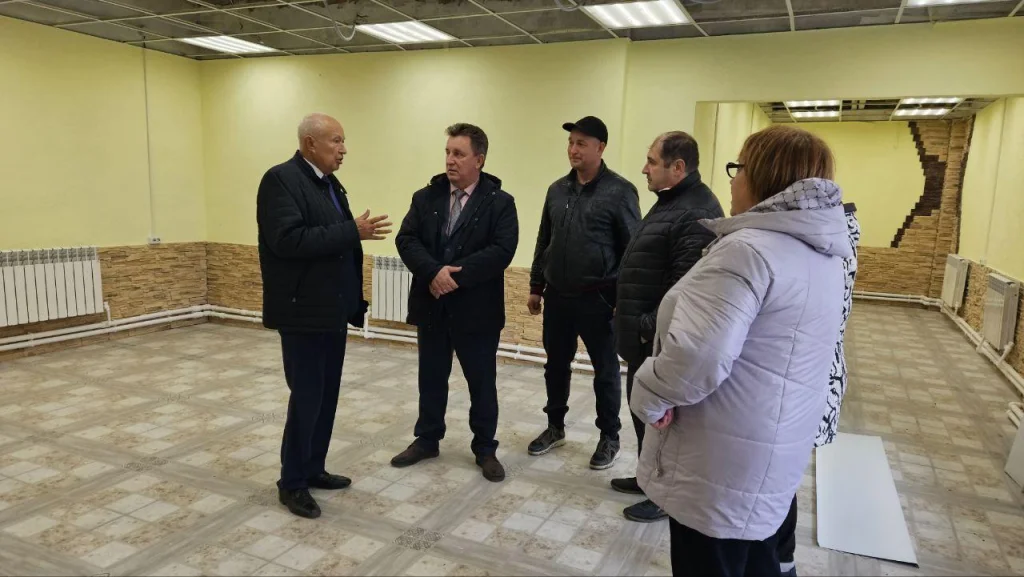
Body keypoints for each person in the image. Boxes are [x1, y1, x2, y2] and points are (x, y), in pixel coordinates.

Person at [629, 124, 852, 577]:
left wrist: (648, 396)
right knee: (756, 558)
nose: (732, 180)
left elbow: (697, 357)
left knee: (711, 561)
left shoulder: (747, 252)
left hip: (718, 464)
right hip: (772, 447)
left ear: (765, 177)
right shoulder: (824, 253)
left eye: (739, 168)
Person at [257, 113, 392, 519]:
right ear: (310, 143)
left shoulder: (328, 183)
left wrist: (354, 301)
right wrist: (353, 231)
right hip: (302, 313)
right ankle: (292, 482)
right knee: (307, 396)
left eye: (343, 141)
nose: (343, 149)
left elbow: (336, 247)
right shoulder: (280, 180)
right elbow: (288, 240)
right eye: (336, 141)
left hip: (331, 311)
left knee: (326, 395)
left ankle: (313, 467)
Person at [391, 123, 518, 482]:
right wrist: (433, 272)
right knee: (431, 377)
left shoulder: (500, 203)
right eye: (448, 152)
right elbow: (406, 239)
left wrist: (452, 278)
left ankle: (485, 448)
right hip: (432, 305)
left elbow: (501, 251)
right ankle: (427, 439)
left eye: (459, 154)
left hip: (477, 310)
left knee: (482, 382)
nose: (450, 160)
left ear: (479, 159)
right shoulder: (426, 197)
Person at [611, 131, 723, 523]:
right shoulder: (672, 202)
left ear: (678, 167)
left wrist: (646, 327)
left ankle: (663, 495)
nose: (644, 168)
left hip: (658, 341)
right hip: (645, 338)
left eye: (652, 161)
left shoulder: (695, 212)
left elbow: (685, 286)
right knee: (644, 413)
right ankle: (649, 479)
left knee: (664, 421)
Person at [526, 116, 641, 470]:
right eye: (571, 142)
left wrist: (622, 300)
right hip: (558, 297)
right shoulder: (557, 190)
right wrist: (535, 286)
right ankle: (555, 427)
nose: (573, 149)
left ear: (600, 148)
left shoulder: (620, 192)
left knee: (605, 371)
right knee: (555, 366)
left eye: (581, 143)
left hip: (599, 299)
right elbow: (544, 239)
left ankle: (609, 437)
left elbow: (632, 251)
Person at [774, 201, 860, 577]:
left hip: (799, 381)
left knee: (775, 481)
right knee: (778, 479)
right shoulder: (831, 236)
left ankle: (781, 560)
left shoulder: (817, 242)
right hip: (805, 379)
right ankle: (780, 559)